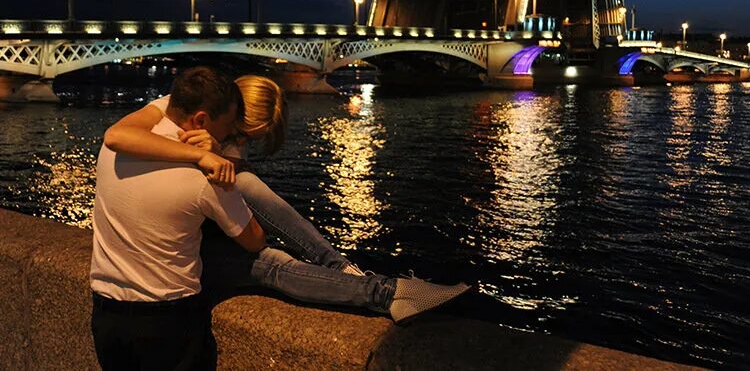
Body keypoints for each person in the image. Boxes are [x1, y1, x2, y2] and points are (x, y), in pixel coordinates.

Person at [100, 68, 470, 328]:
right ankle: (377, 287)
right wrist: (204, 156)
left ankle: (363, 280)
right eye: (240, 133)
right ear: (212, 117)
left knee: (261, 228)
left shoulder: (192, 126)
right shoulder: (181, 132)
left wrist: (209, 154)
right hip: (177, 273)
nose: (241, 144)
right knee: (269, 257)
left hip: (162, 264)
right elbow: (116, 136)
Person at [90, 66, 266, 369]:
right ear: (200, 121)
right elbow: (253, 239)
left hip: (108, 316)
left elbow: (121, 132)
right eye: (226, 128)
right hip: (169, 323)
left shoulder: (113, 151)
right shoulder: (207, 176)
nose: (226, 138)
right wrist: (222, 168)